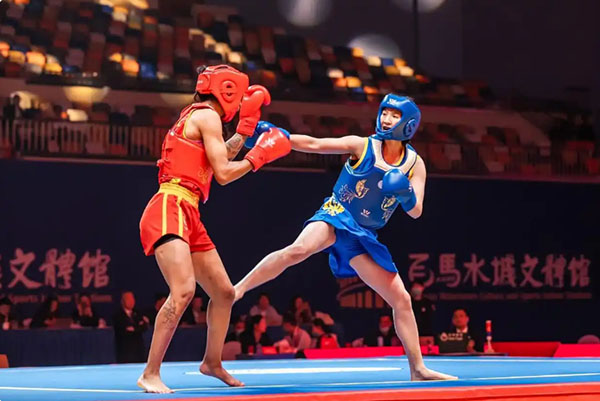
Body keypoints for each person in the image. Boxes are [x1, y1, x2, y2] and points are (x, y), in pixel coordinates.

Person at [234, 94, 456, 381]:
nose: (386, 119)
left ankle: (418, 369)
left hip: (363, 236)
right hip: (335, 215)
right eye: (384, 112)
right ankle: (237, 289)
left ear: (408, 124)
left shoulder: (415, 165)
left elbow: (416, 211)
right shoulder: (362, 145)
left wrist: (405, 192)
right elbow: (314, 144)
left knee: (402, 299)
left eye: (394, 115)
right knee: (298, 249)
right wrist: (278, 137)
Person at [137, 64, 291, 393]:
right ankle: (150, 373)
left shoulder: (200, 116)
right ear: (228, 91)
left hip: (189, 210)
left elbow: (220, 153)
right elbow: (222, 172)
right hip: (170, 206)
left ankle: (212, 362)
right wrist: (259, 157)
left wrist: (245, 132)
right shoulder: (208, 117)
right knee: (183, 291)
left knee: (224, 293)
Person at [113, 291, 149, 363]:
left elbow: (144, 327)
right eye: (128, 299)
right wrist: (138, 327)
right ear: (123, 301)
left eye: (132, 299)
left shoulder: (137, 313)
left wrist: (134, 329)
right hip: (125, 352)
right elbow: (123, 330)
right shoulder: (118, 315)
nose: (131, 301)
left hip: (139, 352)